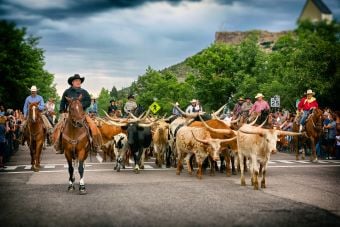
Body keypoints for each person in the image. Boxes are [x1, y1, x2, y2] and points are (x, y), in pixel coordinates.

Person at [53, 74, 102, 154]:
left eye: (79, 81)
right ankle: (59, 145)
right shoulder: (67, 92)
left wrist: (79, 106)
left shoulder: (84, 92)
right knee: (59, 127)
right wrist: (63, 111)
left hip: (82, 114)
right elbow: (63, 102)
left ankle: (95, 145)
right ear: (72, 82)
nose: (78, 82)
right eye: (76, 81)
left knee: (93, 126)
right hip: (69, 114)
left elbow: (88, 101)